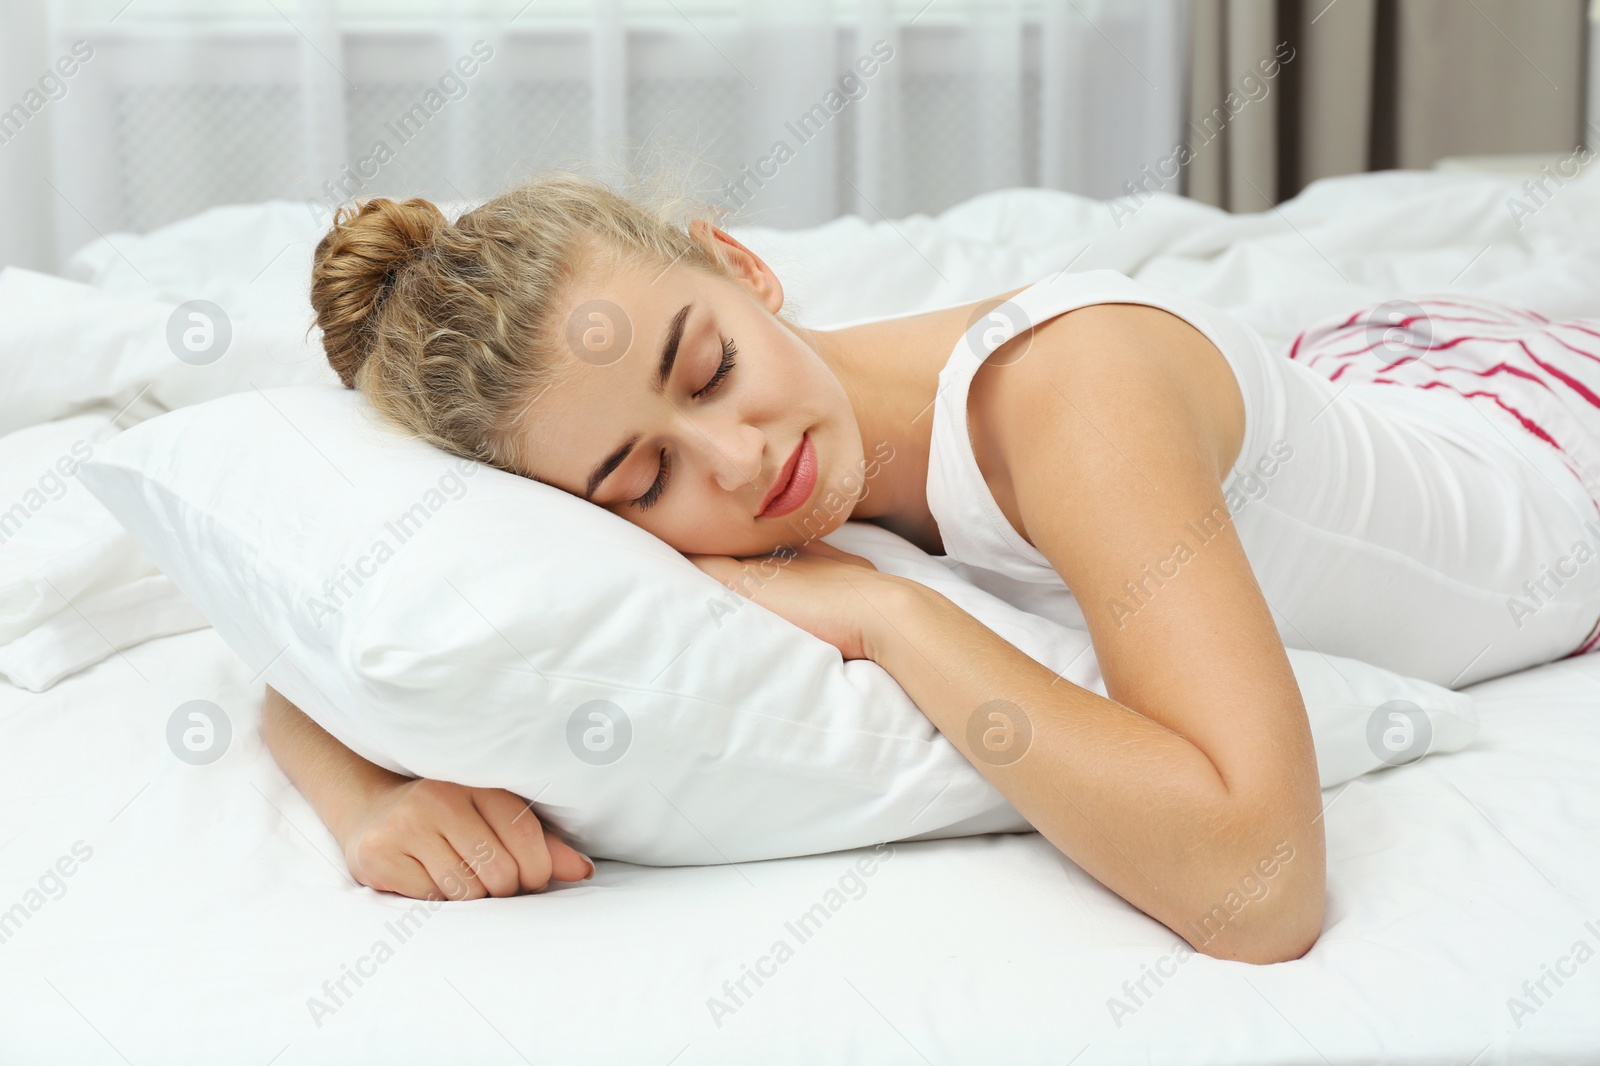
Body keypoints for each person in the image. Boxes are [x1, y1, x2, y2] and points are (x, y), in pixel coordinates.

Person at [264, 172, 1600, 966]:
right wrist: (363, 790)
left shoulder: (1072, 398)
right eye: (640, 476)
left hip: (1542, 425)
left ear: (742, 264)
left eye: (710, 365)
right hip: (1358, 372)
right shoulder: (733, 494)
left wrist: (892, 616)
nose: (732, 465)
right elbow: (308, 629)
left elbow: (1262, 890)